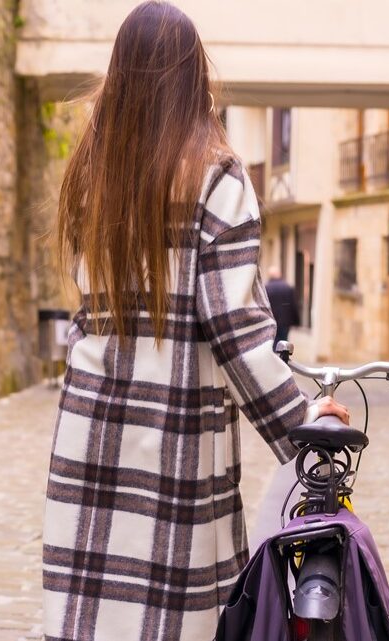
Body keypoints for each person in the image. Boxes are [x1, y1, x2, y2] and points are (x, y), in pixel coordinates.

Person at [42, 3, 349, 641]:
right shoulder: (216, 177)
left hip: (87, 430)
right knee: (174, 624)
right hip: (175, 441)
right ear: (193, 76)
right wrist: (305, 426)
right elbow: (237, 332)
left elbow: (86, 312)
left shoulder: (89, 175)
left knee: (94, 620)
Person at [264, 266, 301, 348]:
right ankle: (282, 359)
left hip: (271, 321)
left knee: (273, 343)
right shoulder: (287, 287)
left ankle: (274, 359)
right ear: (279, 274)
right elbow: (293, 305)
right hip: (285, 322)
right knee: (284, 344)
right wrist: (297, 321)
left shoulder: (266, 288)